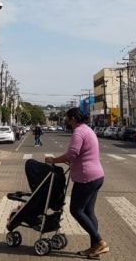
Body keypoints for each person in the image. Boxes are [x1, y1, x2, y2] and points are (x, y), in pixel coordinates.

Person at [45, 108, 108, 258]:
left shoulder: (78, 132)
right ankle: (95, 247)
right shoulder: (87, 130)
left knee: (76, 210)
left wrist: (53, 160)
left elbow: (72, 155)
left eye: (66, 118)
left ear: (72, 119)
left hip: (86, 178)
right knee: (88, 212)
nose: (65, 121)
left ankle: (99, 242)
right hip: (97, 176)